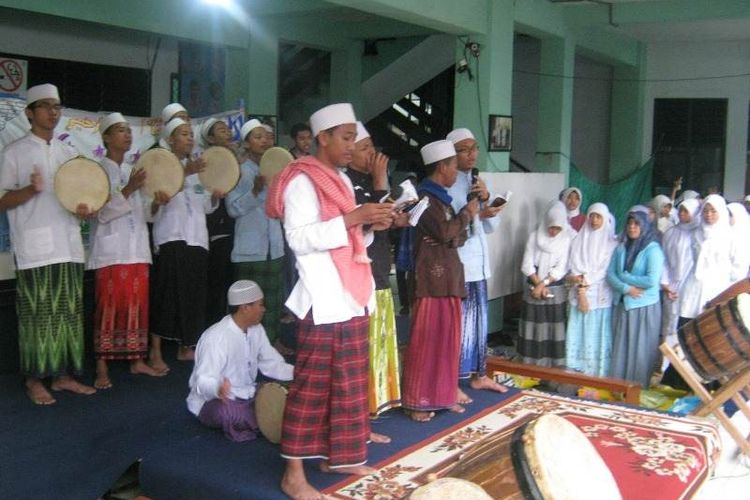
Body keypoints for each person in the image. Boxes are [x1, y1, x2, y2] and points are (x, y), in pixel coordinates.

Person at [266, 103, 393, 499]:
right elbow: (300, 239)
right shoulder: (303, 180)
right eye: (346, 138)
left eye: (354, 138)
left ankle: (339, 456)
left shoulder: (338, 178)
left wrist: (370, 224)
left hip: (351, 295)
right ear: (323, 138)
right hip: (322, 299)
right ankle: (293, 475)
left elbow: (351, 237)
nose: (352, 146)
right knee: (312, 389)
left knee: (349, 385)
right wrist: (354, 220)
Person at [0, 83, 96, 404]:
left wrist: (84, 207)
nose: (53, 112)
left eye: (57, 106)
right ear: (29, 112)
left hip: (68, 246)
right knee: (36, 317)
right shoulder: (14, 152)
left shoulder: (69, 153)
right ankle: (33, 379)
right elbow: (1, 200)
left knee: (68, 315)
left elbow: (78, 198)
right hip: (34, 250)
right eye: (45, 106)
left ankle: (63, 377)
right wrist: (29, 190)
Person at [401, 140, 479, 422]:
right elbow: (448, 233)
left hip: (447, 278)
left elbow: (456, 236)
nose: (457, 173)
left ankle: (442, 396)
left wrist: (457, 226)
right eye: (454, 167)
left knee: (446, 342)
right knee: (427, 343)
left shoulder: (441, 200)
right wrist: (466, 214)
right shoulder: (425, 199)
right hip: (431, 281)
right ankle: (417, 402)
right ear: (442, 166)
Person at [87, 113, 164, 388]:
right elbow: (100, 214)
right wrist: (129, 189)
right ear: (106, 137)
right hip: (111, 252)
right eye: (120, 131)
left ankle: (136, 360)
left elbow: (146, 215)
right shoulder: (97, 171)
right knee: (107, 308)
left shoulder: (136, 168)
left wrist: (156, 205)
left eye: (129, 131)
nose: (127, 135)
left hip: (137, 250)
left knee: (137, 307)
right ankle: (101, 366)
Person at [149, 118, 221, 370]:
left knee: (193, 296)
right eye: (183, 134)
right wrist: (186, 173)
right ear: (170, 139)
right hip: (172, 237)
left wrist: (215, 197)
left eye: (191, 134)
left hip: (197, 238)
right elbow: (156, 203)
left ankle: (185, 346)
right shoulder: (161, 165)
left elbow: (205, 206)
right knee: (165, 296)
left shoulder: (197, 171)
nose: (190, 138)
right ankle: (155, 351)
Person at [345, 122, 402, 427]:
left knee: (380, 338)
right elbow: (360, 223)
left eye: (371, 147)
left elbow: (384, 218)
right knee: (364, 345)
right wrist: (381, 182)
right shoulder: (345, 183)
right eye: (365, 148)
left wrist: (399, 215)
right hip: (358, 277)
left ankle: (378, 399)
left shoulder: (366, 180)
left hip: (378, 267)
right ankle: (362, 407)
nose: (373, 154)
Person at [187, 280, 294, 442]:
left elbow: (271, 364)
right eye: (260, 305)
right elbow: (201, 380)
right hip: (214, 402)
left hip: (247, 392)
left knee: (278, 392)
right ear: (245, 308)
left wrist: (299, 372)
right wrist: (217, 388)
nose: (263, 309)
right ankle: (263, 419)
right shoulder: (216, 337)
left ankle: (261, 417)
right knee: (228, 413)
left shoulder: (256, 329)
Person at [445, 128, 507, 401]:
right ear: (451, 154)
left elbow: (487, 226)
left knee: (480, 324)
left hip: (479, 264)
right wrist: (477, 212)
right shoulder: (446, 183)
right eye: (464, 150)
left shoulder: (475, 180)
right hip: (460, 265)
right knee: (461, 326)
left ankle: (479, 375)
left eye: (474, 149)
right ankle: (453, 381)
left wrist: (487, 205)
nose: (471, 154)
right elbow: (452, 226)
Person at [226, 119, 285, 346]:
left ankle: (272, 342)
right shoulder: (240, 172)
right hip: (250, 250)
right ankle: (247, 348)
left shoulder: (278, 171)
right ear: (247, 143)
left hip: (275, 247)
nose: (263, 141)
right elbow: (233, 208)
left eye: (266, 136)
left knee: (273, 301)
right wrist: (256, 191)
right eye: (257, 137)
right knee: (249, 304)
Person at [607, 210, 664, 387]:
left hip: (644, 307)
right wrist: (626, 287)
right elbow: (610, 274)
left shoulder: (653, 250)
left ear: (644, 226)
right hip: (624, 304)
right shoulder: (622, 247)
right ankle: (618, 387)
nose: (632, 227)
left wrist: (625, 277)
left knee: (640, 350)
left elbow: (651, 280)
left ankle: (637, 390)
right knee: (621, 349)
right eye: (630, 224)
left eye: (636, 224)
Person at [565, 203, 618, 377]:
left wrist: (584, 284)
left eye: (598, 217)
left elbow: (604, 270)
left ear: (605, 219)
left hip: (599, 296)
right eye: (592, 216)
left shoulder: (611, 243)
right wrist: (580, 288)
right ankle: (575, 374)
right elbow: (573, 264)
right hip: (578, 292)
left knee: (597, 336)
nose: (594, 220)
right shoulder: (579, 239)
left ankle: (597, 375)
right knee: (578, 333)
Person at [518, 201, 573, 367]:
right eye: (551, 227)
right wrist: (538, 284)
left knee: (552, 329)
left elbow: (562, 267)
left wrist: (543, 285)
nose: (553, 231)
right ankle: (529, 366)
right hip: (533, 289)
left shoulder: (566, 240)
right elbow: (527, 264)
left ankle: (551, 368)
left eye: (557, 228)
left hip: (554, 290)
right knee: (533, 328)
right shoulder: (535, 236)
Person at [199, 118, 237, 325]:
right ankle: (214, 325)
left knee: (231, 283)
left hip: (235, 230)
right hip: (216, 229)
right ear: (211, 138)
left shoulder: (236, 158)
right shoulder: (207, 160)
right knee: (216, 282)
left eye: (227, 129)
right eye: (221, 130)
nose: (227, 132)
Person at [659, 198, 701, 371]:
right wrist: (666, 283)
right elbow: (664, 260)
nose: (682, 214)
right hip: (671, 286)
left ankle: (684, 370)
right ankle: (665, 367)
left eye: (686, 211)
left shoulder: (698, 233)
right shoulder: (671, 232)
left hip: (689, 287)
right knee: (669, 327)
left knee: (684, 328)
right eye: (681, 210)